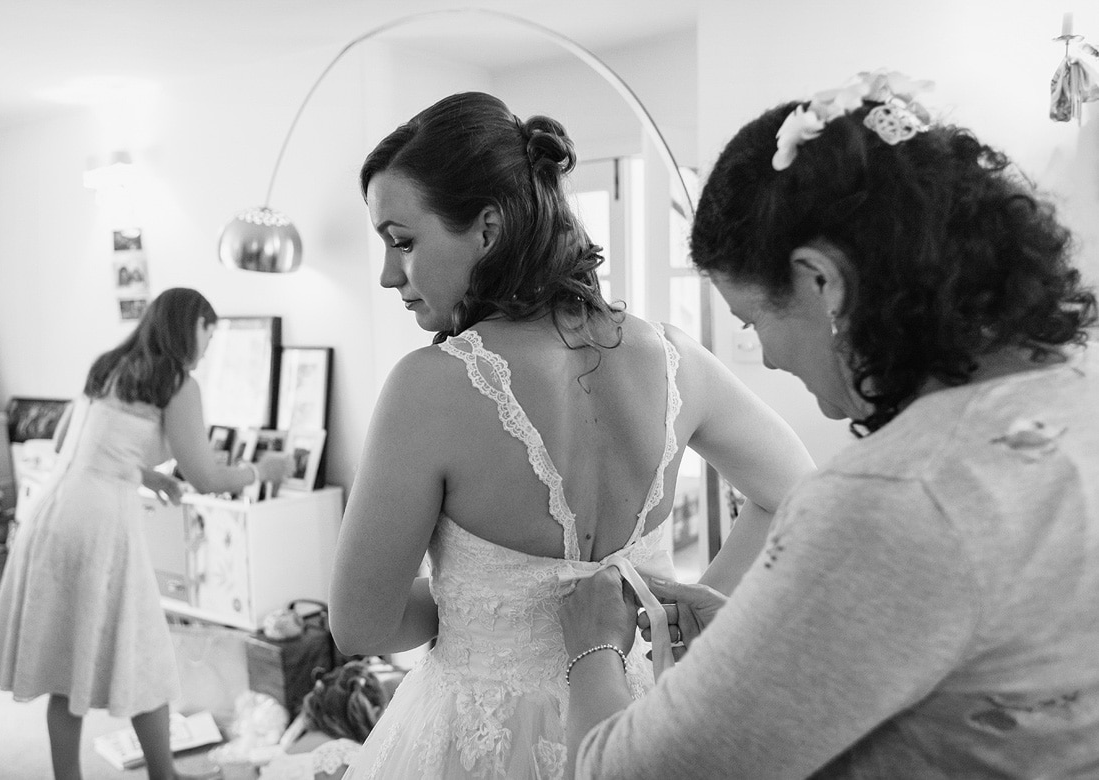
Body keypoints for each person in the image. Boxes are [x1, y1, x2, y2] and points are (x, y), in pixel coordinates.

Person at [559, 69, 1099, 778]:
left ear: (821, 280)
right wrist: (772, 644)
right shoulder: (1074, 401)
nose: (770, 359)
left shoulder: (891, 496)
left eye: (753, 321)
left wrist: (591, 650)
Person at [329, 91, 815, 779]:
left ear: (489, 229)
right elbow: (793, 490)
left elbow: (361, 627)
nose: (387, 275)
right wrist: (691, 609)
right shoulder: (676, 359)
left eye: (402, 241)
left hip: (475, 741)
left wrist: (479, 606)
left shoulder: (428, 387)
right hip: (637, 715)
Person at [0, 287, 291, 780]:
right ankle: (164, 774)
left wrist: (147, 474)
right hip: (99, 527)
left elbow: (70, 443)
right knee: (148, 655)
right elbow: (207, 477)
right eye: (209, 332)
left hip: (52, 512)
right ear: (191, 327)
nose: (209, 347)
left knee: (67, 662)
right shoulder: (178, 384)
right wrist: (262, 471)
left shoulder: (108, 365)